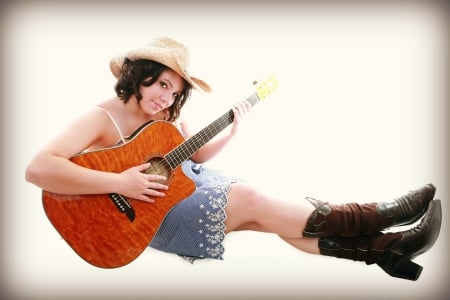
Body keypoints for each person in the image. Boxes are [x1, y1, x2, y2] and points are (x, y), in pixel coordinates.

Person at [25, 37, 442, 281]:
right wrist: (120, 183)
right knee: (257, 202)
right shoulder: (100, 117)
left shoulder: (166, 114)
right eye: (161, 84)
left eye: (174, 92)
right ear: (139, 74)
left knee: (273, 216)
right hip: (142, 216)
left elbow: (194, 156)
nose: (166, 97)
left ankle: (387, 251)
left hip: (188, 184)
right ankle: (380, 217)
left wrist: (234, 129)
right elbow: (39, 168)